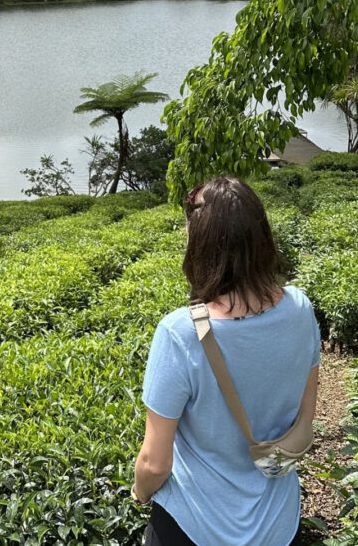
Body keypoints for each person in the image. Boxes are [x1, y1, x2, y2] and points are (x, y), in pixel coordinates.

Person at [132, 176, 320, 545]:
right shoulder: (300, 307)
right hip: (278, 523)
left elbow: (155, 463)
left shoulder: (179, 333)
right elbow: (306, 412)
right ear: (262, 237)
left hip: (194, 525)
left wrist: (140, 494)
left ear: (198, 244)